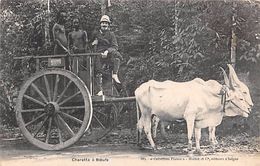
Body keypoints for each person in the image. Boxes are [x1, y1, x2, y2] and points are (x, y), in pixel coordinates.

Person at [92, 15, 123, 95]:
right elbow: (89, 44)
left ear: (108, 25)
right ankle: (98, 90)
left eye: (106, 23)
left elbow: (115, 46)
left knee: (117, 57)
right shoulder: (96, 34)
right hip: (98, 55)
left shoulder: (111, 34)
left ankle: (115, 74)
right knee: (96, 69)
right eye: (103, 23)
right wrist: (93, 44)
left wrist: (107, 51)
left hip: (108, 56)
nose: (104, 25)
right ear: (100, 24)